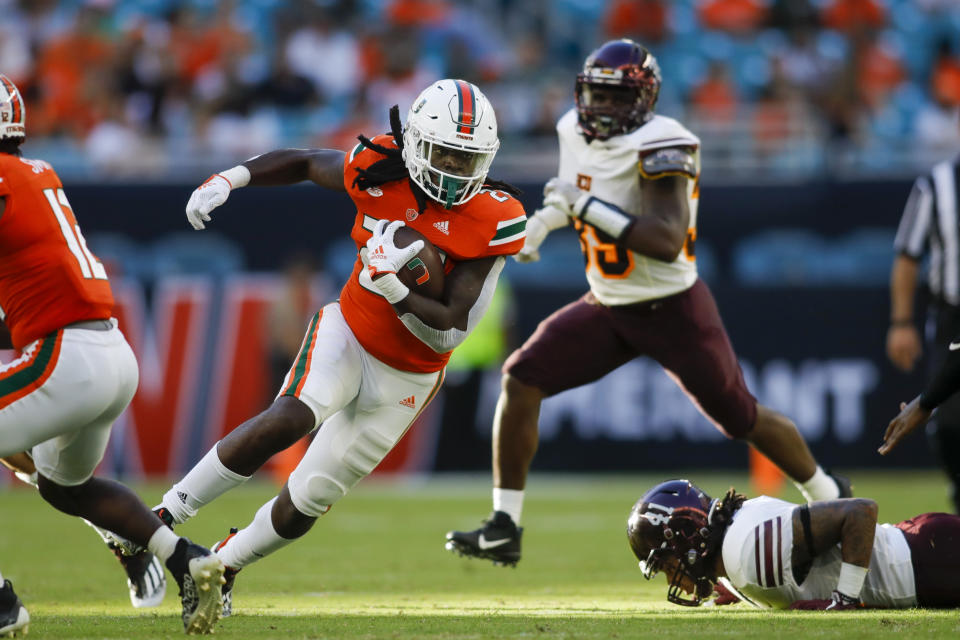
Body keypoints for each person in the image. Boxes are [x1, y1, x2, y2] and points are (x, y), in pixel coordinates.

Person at [445, 39, 850, 567]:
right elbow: (570, 193)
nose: (601, 108)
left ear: (644, 100)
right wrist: (544, 224)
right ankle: (504, 524)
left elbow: (665, 237)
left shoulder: (667, 143)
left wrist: (582, 205)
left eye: (615, 99)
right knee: (521, 379)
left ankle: (827, 493)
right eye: (595, 95)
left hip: (671, 307)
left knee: (741, 417)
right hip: (608, 303)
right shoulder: (572, 128)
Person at [151, 79, 526, 616]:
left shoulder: (494, 216)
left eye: (466, 158)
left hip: (411, 374)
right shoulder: (380, 166)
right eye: (443, 151)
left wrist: (397, 289)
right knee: (291, 417)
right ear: (415, 143)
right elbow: (305, 161)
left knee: (308, 500)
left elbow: (450, 328)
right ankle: (161, 517)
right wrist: (231, 178)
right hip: (349, 331)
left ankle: (221, 565)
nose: (452, 168)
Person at [0, 74, 225, 635]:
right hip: (106, 352)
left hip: (66, 356)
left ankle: (1, 605)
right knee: (63, 486)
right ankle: (186, 558)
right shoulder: (36, 171)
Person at [626, 478, 960, 609]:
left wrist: (845, 598)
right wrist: (735, 587)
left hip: (932, 563)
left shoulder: (749, 552)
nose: (672, 580)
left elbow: (860, 512)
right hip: (923, 546)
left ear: (688, 541)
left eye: (669, 566)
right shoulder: (734, 554)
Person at [886, 146, 960, 512]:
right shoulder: (936, 185)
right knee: (950, 426)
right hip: (953, 317)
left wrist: (925, 403)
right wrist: (901, 321)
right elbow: (907, 255)